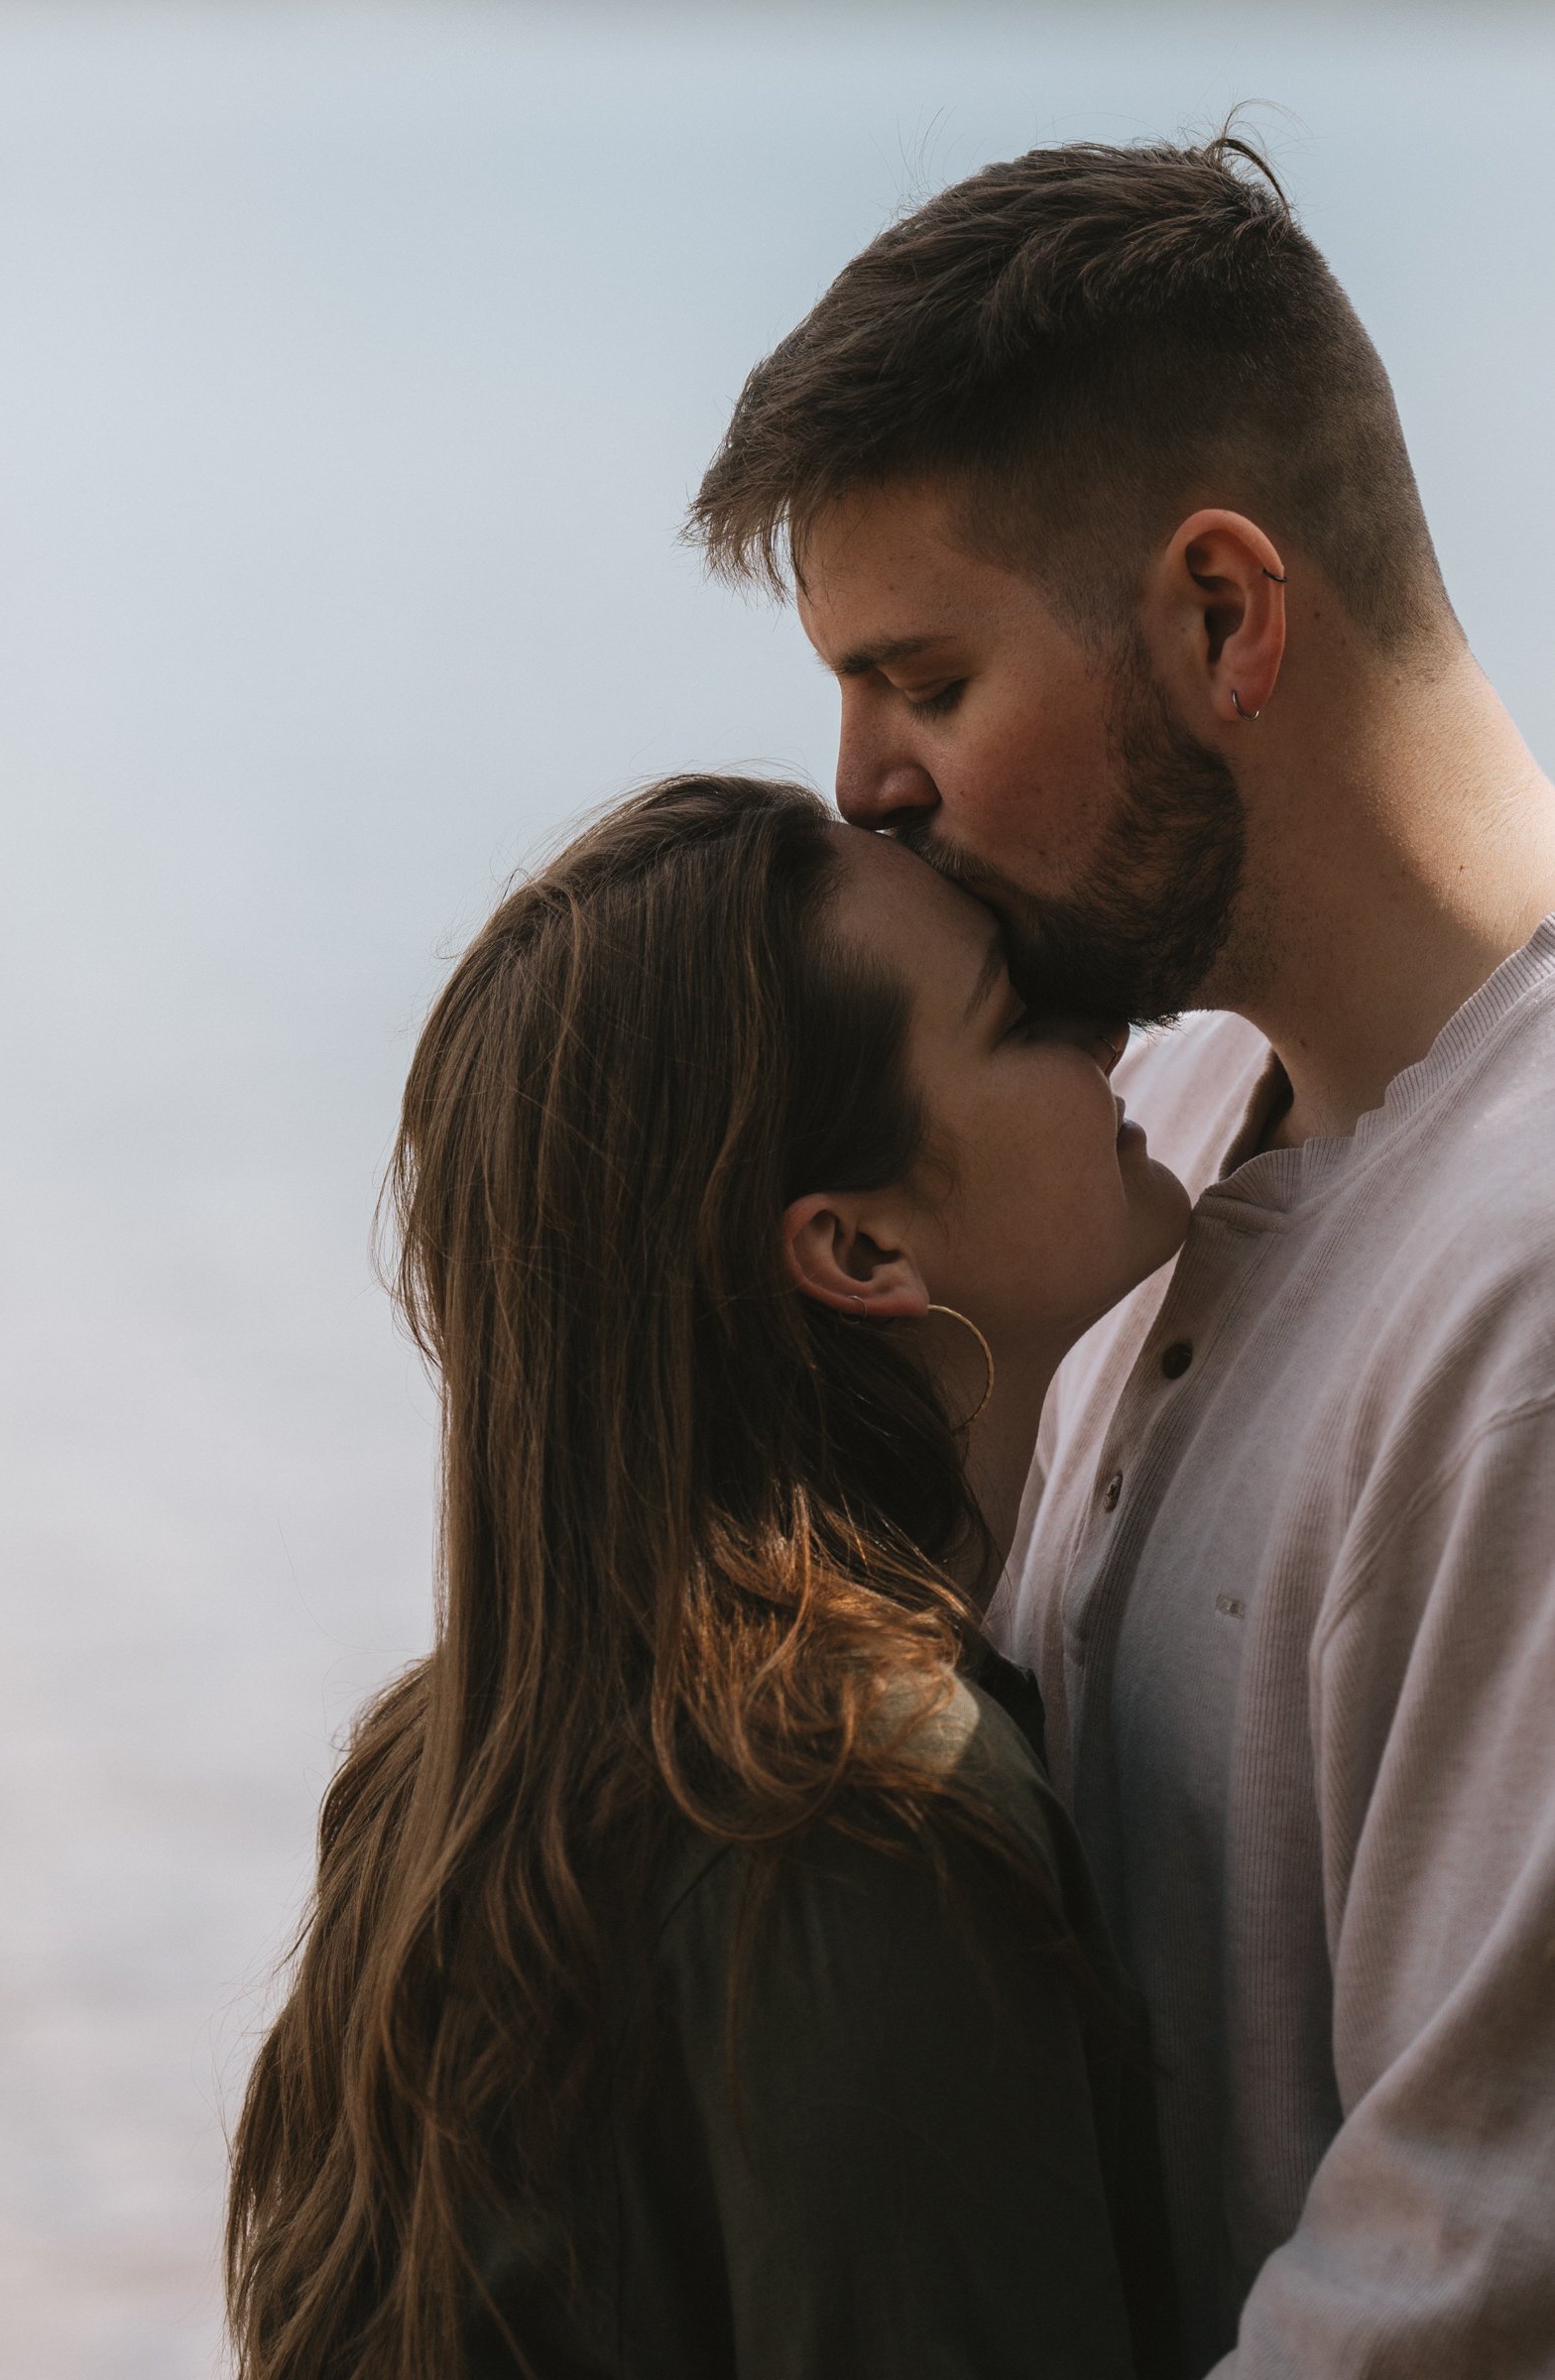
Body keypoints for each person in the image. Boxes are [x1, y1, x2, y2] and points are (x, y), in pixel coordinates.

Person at [689, 132, 1555, 2377]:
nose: (861, 787)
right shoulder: (1144, 1132)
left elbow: (1458, 2292)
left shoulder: (1527, 1288)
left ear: (1224, 616)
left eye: (926, 682)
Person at [226, 774, 1187, 2378]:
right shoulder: (854, 1811)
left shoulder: (434, 1779)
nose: (1110, 1035)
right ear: (862, 1253)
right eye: (1021, 1015)